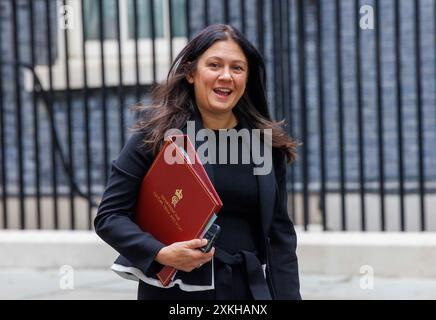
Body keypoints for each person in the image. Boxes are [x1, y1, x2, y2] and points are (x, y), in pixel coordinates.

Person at [94, 24, 301, 300]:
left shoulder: (266, 145)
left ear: (247, 78)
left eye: (237, 68)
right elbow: (110, 216)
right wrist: (160, 253)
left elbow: (280, 237)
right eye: (214, 65)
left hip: (246, 291)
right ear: (191, 73)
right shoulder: (156, 137)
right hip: (176, 293)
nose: (226, 76)